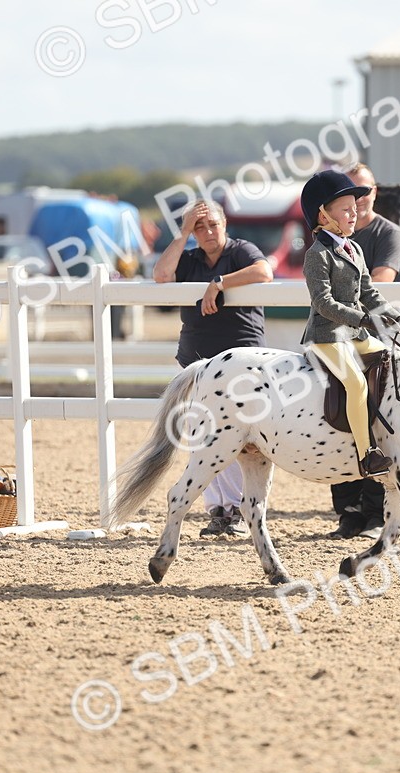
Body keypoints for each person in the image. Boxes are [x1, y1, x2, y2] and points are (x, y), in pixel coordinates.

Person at [153, 200, 272, 537]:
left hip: (238, 360)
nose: (207, 233)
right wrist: (182, 233)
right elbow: (161, 275)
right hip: (195, 359)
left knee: (235, 434)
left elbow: (264, 272)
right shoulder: (188, 258)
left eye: (212, 225)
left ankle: (234, 510)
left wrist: (219, 283)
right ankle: (218, 509)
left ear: (225, 224)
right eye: (199, 227)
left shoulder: (241, 251)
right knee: (199, 433)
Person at [300, 169, 400, 483]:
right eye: (346, 209)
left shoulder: (355, 249)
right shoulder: (317, 255)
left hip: (355, 333)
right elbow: (323, 302)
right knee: (356, 384)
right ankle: (366, 454)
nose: (355, 212)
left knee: (392, 359)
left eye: (355, 206)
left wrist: (392, 315)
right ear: (323, 215)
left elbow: (368, 292)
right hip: (327, 336)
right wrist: (362, 318)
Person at [325, 164, 400, 539]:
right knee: (332, 407)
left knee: (378, 409)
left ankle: (374, 508)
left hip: (372, 331)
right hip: (341, 330)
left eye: (364, 191)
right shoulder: (331, 239)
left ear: (375, 191)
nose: (358, 200)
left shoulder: (386, 233)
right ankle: (347, 508)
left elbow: (381, 281)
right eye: (350, 194)